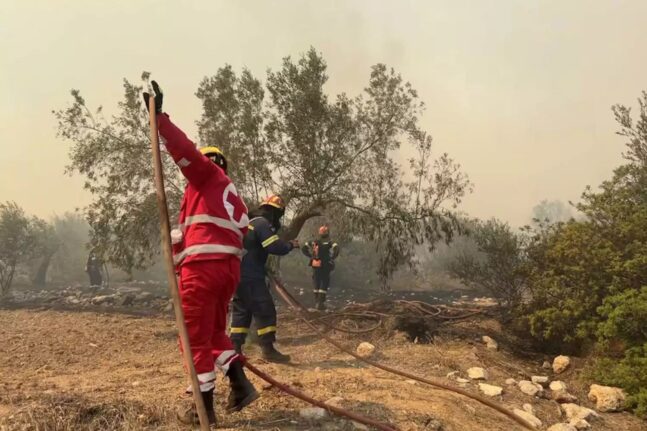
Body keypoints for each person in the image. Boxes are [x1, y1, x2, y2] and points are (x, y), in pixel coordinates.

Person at [143, 81, 257, 427]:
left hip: (204, 270)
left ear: (211, 162)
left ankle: (203, 412)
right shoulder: (224, 196)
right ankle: (240, 385)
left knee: (193, 342)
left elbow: (185, 151)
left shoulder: (207, 176)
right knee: (214, 337)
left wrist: (159, 119)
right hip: (224, 272)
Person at [230, 195, 299, 363]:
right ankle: (268, 350)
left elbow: (252, 249)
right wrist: (291, 245)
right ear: (276, 212)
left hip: (238, 276)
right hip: (252, 277)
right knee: (265, 310)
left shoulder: (249, 223)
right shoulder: (262, 224)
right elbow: (274, 246)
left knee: (242, 312)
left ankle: (234, 350)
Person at [301, 225, 339, 310]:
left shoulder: (314, 241)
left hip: (315, 264)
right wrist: (332, 258)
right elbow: (336, 249)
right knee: (324, 282)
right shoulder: (329, 241)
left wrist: (311, 256)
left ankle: (317, 302)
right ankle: (320, 303)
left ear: (319, 232)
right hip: (325, 265)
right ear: (327, 232)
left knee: (316, 282)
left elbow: (304, 248)